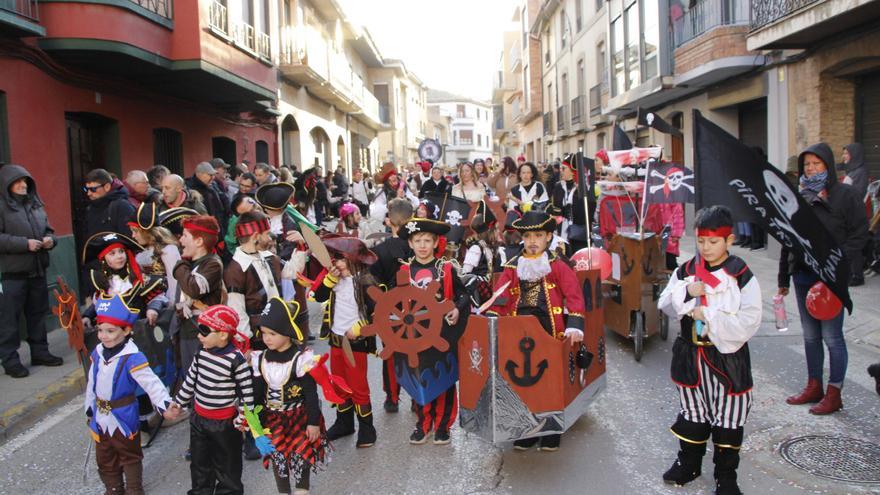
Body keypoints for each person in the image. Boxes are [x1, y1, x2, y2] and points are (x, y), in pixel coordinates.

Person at [658, 205, 761, 495]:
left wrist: (710, 317)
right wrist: (687, 293)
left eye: (714, 242)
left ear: (729, 241)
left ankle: (726, 476)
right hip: (690, 354)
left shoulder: (740, 274)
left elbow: (750, 319)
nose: (706, 247)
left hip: (727, 358)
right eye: (701, 241)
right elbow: (664, 305)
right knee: (692, 412)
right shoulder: (687, 270)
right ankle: (689, 463)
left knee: (728, 416)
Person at [779, 143, 868, 414]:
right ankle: (814, 385)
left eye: (816, 164)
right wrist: (784, 276)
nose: (811, 169)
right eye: (807, 165)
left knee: (832, 337)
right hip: (803, 275)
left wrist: (840, 262)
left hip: (830, 278)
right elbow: (787, 236)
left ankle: (834, 392)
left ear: (827, 165)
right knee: (810, 336)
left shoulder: (845, 195)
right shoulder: (799, 197)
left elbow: (860, 233)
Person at [487, 210, 585, 452]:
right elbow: (499, 297)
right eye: (528, 236)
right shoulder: (512, 266)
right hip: (519, 331)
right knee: (522, 385)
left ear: (549, 237)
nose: (532, 241)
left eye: (538, 235)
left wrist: (575, 324)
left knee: (551, 382)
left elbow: (574, 295)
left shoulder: (558, 266)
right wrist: (492, 319)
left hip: (551, 331)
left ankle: (551, 430)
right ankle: (527, 429)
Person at [250, 297, 346, 494]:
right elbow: (257, 395)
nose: (266, 338)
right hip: (273, 418)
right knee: (278, 459)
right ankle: (283, 491)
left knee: (302, 456)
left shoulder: (301, 360)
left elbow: (311, 394)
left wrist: (312, 422)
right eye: (264, 333)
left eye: (272, 333)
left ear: (287, 333)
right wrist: (257, 425)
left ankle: (302, 490)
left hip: (299, 416)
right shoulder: (260, 360)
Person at [84, 294, 173, 495]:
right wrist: (89, 407)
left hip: (123, 415)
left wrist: (165, 404)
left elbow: (151, 383)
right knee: (105, 457)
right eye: (100, 330)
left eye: (110, 331)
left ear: (126, 330)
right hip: (100, 416)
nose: (103, 336)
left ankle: (134, 489)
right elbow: (92, 383)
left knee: (129, 455)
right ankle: (113, 489)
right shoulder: (97, 352)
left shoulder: (133, 357)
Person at [398, 216, 471, 445]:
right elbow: (393, 304)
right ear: (410, 243)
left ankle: (442, 425)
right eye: (417, 240)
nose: (422, 245)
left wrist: (458, 309)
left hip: (442, 335)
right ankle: (423, 423)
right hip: (414, 335)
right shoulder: (403, 270)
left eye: (427, 240)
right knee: (419, 378)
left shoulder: (447, 268)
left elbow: (464, 295)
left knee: (444, 378)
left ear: (435, 243)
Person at [170, 304, 254, 495]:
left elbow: (246, 392)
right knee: (200, 463)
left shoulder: (236, 359)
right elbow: (191, 379)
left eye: (204, 330)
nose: (199, 335)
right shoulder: (201, 353)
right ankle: (201, 491)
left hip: (225, 424)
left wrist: (244, 417)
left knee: (227, 465)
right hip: (199, 419)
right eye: (198, 329)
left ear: (223, 334)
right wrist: (180, 402)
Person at [311, 235, 379, 449]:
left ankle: (367, 429)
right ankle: (344, 423)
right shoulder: (335, 279)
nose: (335, 262)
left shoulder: (367, 282)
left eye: (339, 258)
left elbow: (379, 314)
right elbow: (318, 296)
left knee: (358, 386)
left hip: (355, 342)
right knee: (339, 383)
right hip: (336, 339)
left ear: (352, 258)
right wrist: (329, 281)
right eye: (335, 258)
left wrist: (360, 328)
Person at [0, 164, 62, 378]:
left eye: (25, 181)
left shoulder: (36, 205)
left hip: (37, 271)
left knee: (37, 315)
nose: (22, 185)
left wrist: (49, 240)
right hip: (12, 274)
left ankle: (40, 352)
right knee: (10, 320)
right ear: (7, 185)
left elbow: (50, 231)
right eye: (17, 181)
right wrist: (24, 244)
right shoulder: (1, 207)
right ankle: (10, 360)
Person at [369, 199, 415, 412]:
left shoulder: (380, 250)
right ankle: (417, 397)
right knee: (416, 352)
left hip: (389, 309)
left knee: (391, 353)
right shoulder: (417, 246)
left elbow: (373, 284)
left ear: (389, 221)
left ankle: (392, 397)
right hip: (416, 308)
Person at [129, 202, 181, 299]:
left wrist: (171, 308)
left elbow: (175, 283)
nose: (133, 236)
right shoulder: (142, 250)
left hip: (164, 302)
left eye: (135, 231)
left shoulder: (168, 250)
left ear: (146, 231)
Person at [84, 169, 137, 239]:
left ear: (107, 187)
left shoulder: (122, 206)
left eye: (93, 189)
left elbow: (131, 238)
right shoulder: (90, 208)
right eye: (86, 189)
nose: (89, 193)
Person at [551, 154, 588, 254]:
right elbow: (556, 209)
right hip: (561, 229)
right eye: (560, 168)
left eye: (564, 168)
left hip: (578, 232)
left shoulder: (582, 188)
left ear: (572, 171)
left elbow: (583, 212)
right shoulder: (558, 186)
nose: (561, 171)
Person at [187, 162, 230, 239]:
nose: (213, 177)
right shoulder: (190, 188)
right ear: (199, 174)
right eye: (210, 175)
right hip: (205, 230)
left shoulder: (213, 185)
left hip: (220, 226)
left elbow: (223, 203)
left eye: (213, 175)